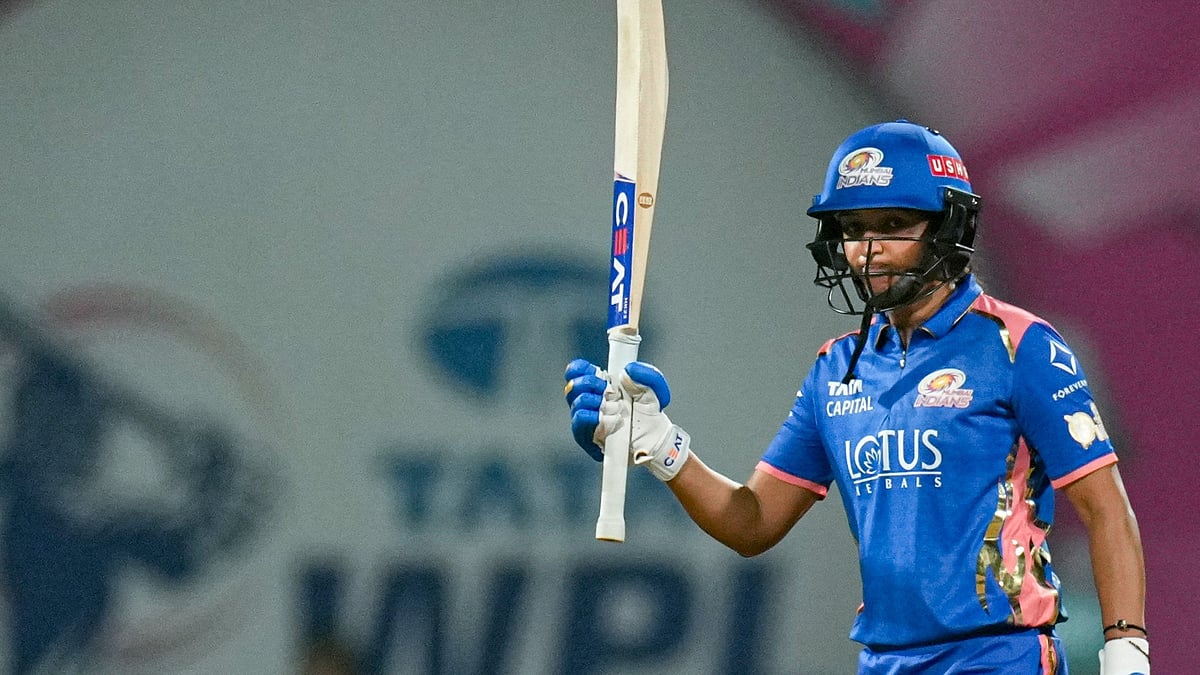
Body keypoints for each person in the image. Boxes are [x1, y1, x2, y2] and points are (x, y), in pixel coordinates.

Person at [564, 120, 1148, 674]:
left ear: (949, 226)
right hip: (884, 660)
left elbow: (1106, 509)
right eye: (852, 229)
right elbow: (753, 522)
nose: (869, 250)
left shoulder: (1019, 345)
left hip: (998, 656)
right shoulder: (836, 369)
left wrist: (1126, 651)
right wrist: (662, 445)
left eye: (893, 224)